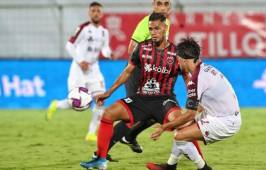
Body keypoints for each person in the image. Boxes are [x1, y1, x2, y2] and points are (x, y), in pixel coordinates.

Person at [80, 12, 191, 170]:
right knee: (108, 114)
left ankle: (201, 166)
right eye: (151, 29)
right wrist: (109, 92)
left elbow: (187, 77)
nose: (153, 32)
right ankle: (100, 159)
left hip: (164, 100)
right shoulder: (142, 47)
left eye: (157, 29)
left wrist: (194, 100)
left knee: (185, 125)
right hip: (142, 99)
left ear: (165, 28)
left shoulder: (176, 53)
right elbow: (127, 71)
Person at [147, 38, 242, 170]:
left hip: (225, 121)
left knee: (180, 136)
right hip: (220, 114)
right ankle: (170, 166)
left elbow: (191, 114)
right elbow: (200, 106)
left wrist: (164, 127)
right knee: (181, 127)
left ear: (184, 60)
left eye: (178, 59)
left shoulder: (196, 79)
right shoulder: (205, 69)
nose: (177, 63)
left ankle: (203, 168)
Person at [107, 0, 173, 154]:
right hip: (136, 72)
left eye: (166, 3)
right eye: (159, 3)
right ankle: (101, 151)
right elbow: (131, 49)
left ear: (169, 7)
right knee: (135, 113)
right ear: (153, 5)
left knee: (153, 112)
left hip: (149, 75)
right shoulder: (146, 23)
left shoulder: (166, 23)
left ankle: (129, 137)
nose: (162, 7)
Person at [46, 2, 113, 142]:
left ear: (101, 13)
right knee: (77, 104)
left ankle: (91, 133)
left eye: (98, 11)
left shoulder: (104, 32)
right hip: (79, 69)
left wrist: (108, 53)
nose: (95, 13)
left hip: (94, 69)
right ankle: (56, 104)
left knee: (100, 100)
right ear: (89, 13)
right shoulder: (83, 28)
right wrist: (80, 60)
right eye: (93, 10)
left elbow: (105, 49)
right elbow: (69, 45)